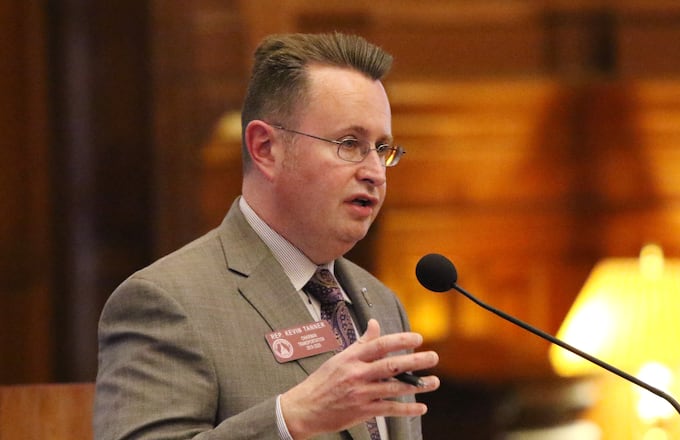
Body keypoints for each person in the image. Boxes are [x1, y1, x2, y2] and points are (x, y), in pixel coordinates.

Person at [93, 32, 440, 440]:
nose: (375, 172)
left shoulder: (382, 303)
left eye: (382, 149)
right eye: (349, 144)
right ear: (265, 148)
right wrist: (288, 419)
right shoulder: (167, 301)